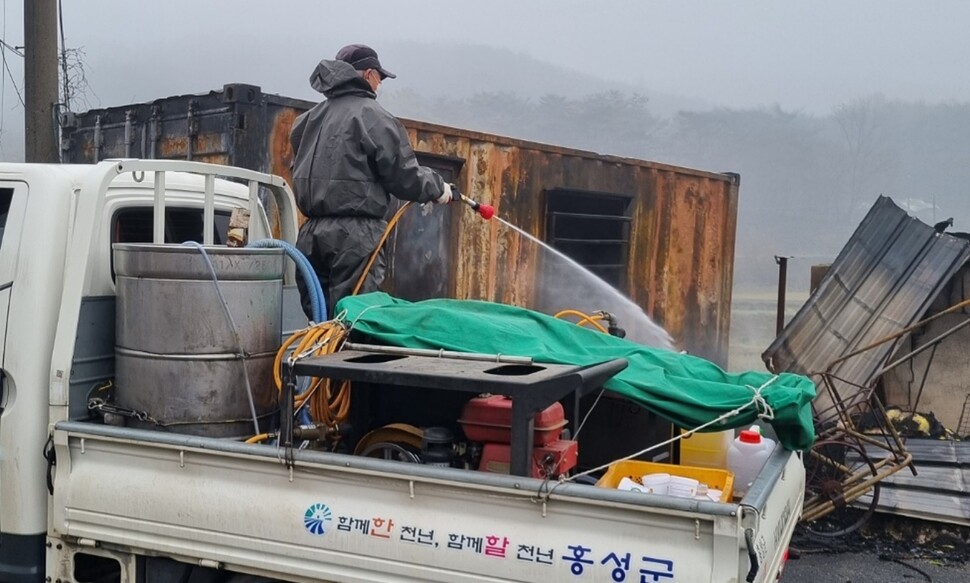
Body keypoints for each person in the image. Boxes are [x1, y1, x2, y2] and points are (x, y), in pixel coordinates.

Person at [289, 43, 454, 320]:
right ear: (368, 74)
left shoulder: (307, 120)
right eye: (380, 77)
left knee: (319, 321)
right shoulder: (374, 117)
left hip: (310, 236)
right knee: (354, 320)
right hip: (355, 236)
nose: (380, 85)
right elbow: (403, 176)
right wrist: (438, 188)